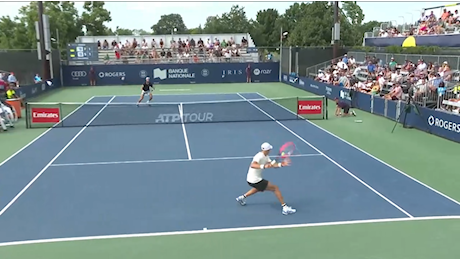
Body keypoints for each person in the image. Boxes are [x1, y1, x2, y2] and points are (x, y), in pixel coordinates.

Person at [236, 142, 296, 215]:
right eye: (269, 149)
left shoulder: (266, 156)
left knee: (258, 188)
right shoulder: (259, 156)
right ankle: (285, 208)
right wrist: (263, 166)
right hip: (255, 180)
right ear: (266, 150)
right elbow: (253, 165)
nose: (270, 151)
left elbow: (273, 165)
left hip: (251, 180)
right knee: (275, 188)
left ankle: (242, 197)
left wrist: (281, 164)